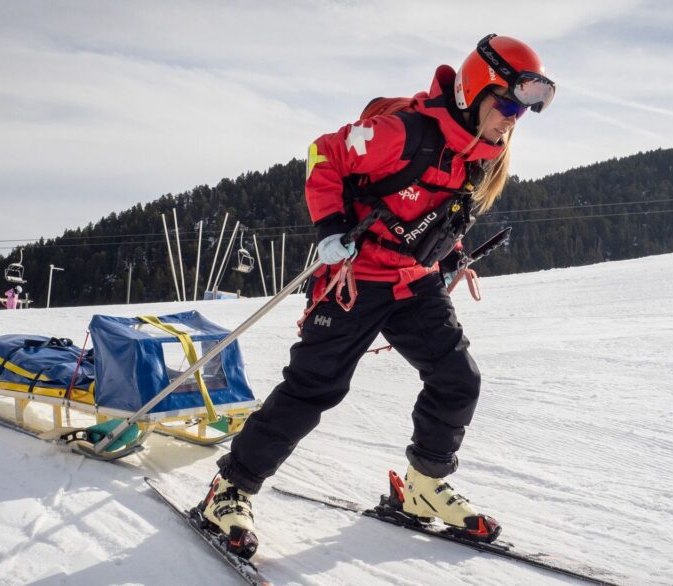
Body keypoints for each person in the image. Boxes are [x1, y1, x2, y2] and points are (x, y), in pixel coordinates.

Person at [200, 34, 555, 558]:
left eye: (523, 112)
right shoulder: (405, 132)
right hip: (355, 276)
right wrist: (330, 229)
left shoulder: (480, 154)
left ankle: (423, 488)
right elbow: (325, 153)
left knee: (458, 379)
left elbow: (434, 216)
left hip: (413, 279)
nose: (512, 119)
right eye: (506, 104)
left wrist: (450, 256)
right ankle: (229, 489)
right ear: (476, 90)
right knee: (315, 388)